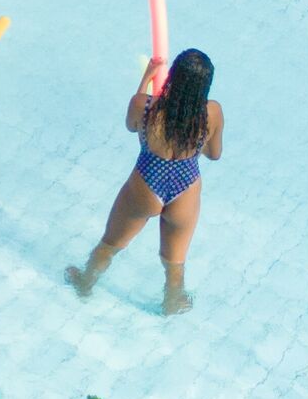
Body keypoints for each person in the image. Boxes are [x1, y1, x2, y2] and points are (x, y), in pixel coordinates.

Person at [70, 49, 221, 314]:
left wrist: (146, 79)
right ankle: (172, 302)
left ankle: (85, 282)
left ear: (172, 75)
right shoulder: (213, 113)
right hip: (185, 186)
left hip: (148, 181)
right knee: (175, 263)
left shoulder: (146, 105)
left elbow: (131, 126)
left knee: (110, 244)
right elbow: (214, 154)